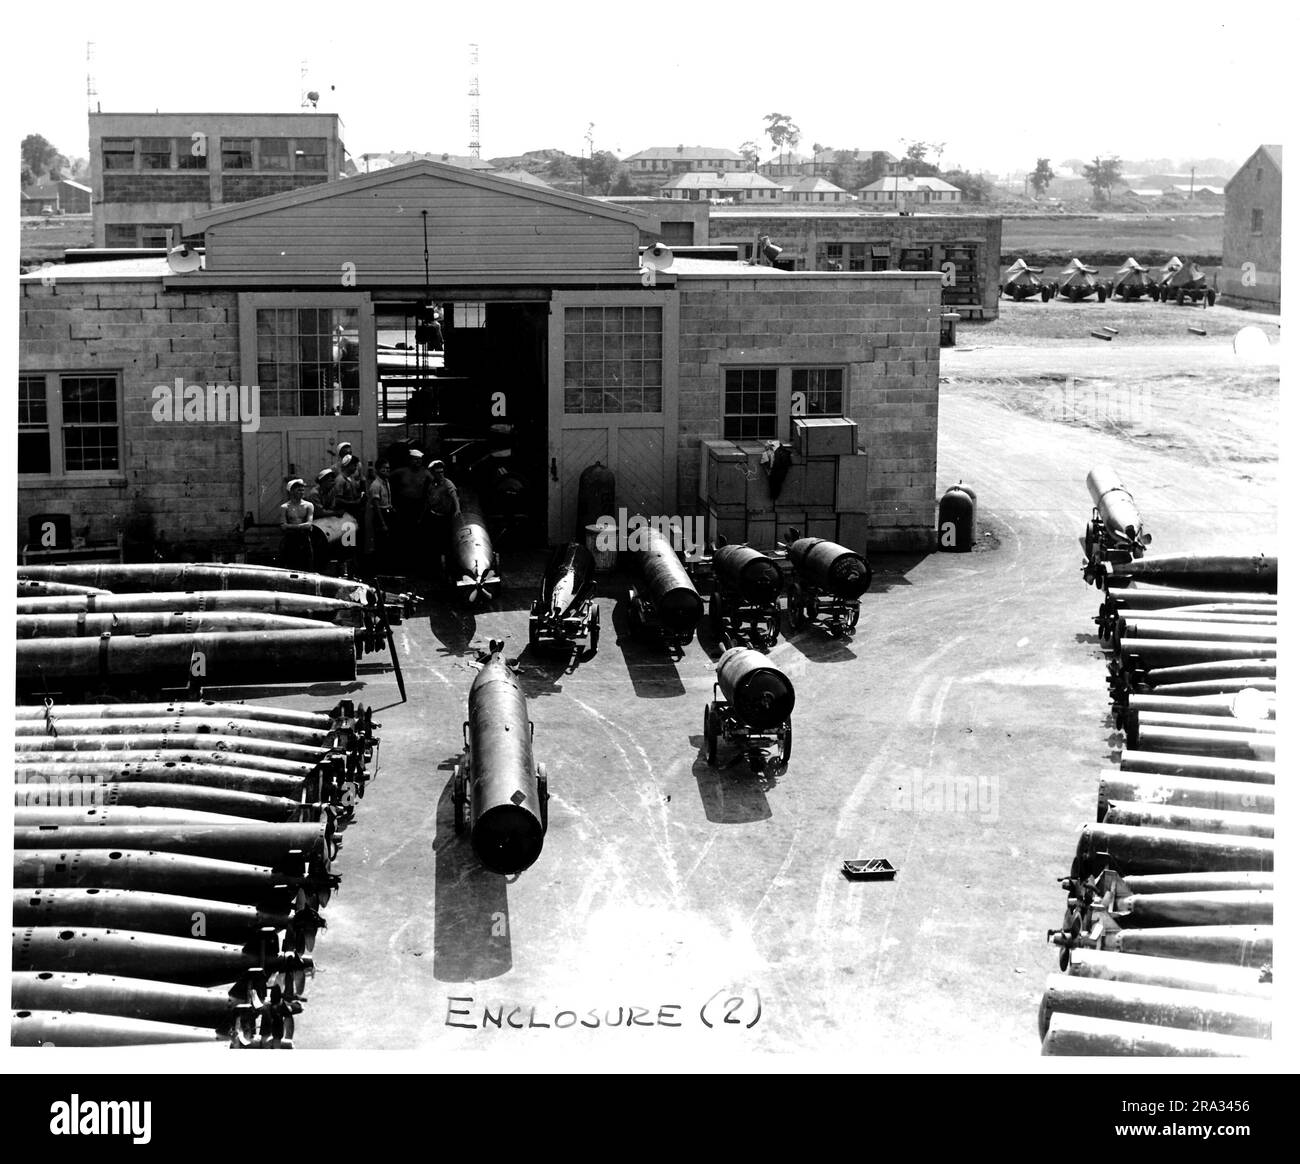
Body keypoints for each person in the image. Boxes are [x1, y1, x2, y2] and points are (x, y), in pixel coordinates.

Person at [278, 479, 315, 569]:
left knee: (307, 565)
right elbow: (283, 526)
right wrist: (300, 526)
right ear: (291, 491)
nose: (301, 492)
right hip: (291, 539)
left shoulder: (308, 505)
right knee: (291, 565)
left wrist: (290, 526)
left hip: (304, 538)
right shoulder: (285, 507)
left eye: (302, 490)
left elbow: (309, 524)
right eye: (298, 490)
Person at [364, 459, 393, 571]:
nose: (386, 470)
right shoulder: (376, 485)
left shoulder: (386, 482)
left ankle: (386, 566)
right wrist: (382, 523)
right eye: (383, 468)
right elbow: (376, 505)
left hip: (387, 512)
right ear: (377, 470)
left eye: (388, 468)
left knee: (387, 542)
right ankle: (379, 568)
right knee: (380, 542)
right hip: (380, 514)